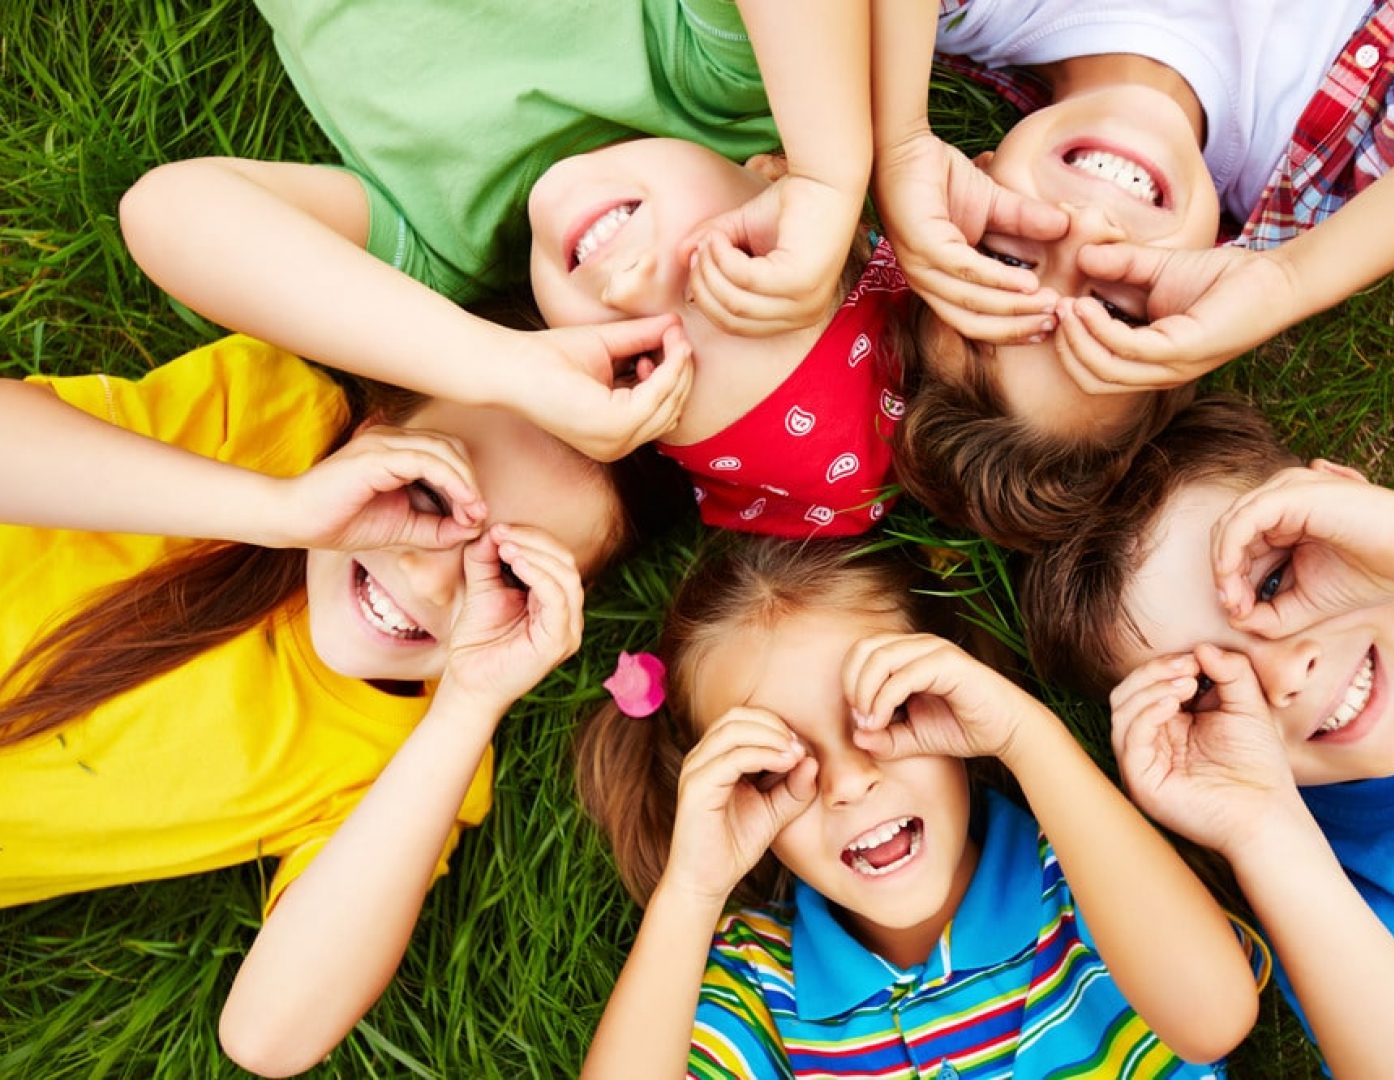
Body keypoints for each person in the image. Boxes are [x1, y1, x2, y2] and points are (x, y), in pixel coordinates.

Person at [0, 332, 669, 1077]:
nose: (429, 576)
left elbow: (268, 1036)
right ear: (373, 432)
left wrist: (469, 704)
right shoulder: (260, 420)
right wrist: (283, 510)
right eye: (429, 494)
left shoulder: (409, 761)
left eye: (509, 574)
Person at [118, 0, 913, 537]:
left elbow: (171, 212)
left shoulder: (442, 251)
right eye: (733, 266)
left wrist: (501, 365)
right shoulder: (720, 79)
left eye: (637, 361)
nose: (632, 285)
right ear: (771, 176)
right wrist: (830, 169)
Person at [876, 0, 1394, 551]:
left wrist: (897, 135)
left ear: (967, 184)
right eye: (1118, 308)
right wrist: (1290, 278)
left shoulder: (970, 15)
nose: (1087, 231)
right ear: (1197, 294)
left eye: (1006, 263)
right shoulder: (1337, 166)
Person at [1018, 395, 1394, 1072]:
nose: (1284, 675)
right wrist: (1264, 832)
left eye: (1276, 581)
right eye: (1207, 688)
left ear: (1345, 502)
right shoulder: (1330, 895)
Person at [574, 538, 1263, 1078]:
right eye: (776, 763)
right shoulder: (762, 981)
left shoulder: (1088, 874)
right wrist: (692, 889)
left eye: (885, 712)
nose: (848, 783)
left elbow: (1217, 1019)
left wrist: (1025, 736)